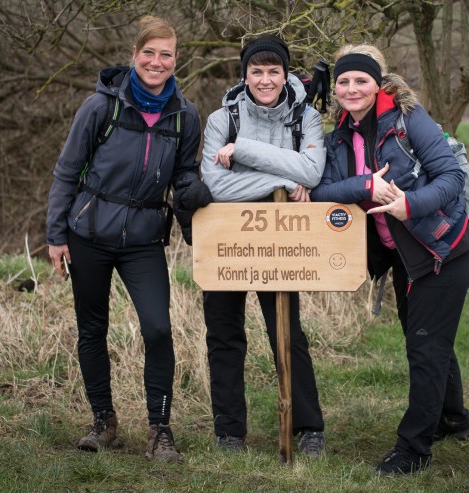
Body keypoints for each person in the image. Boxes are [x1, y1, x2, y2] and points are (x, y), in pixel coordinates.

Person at [46, 15, 208, 462]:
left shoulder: (185, 114)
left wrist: (194, 192)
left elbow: (185, 173)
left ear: (177, 60)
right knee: (92, 330)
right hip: (88, 233)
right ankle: (103, 421)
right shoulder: (101, 107)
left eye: (166, 54)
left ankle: (160, 429)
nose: (157, 62)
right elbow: (66, 171)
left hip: (143, 238)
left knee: (158, 328)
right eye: (149, 53)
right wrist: (55, 233)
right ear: (135, 55)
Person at [310, 44, 469, 475]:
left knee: (425, 344)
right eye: (343, 81)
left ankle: (413, 450)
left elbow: (451, 177)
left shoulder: (408, 120)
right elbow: (322, 191)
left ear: (378, 84)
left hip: (443, 248)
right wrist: (364, 186)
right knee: (426, 337)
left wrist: (409, 205)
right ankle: (454, 419)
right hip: (403, 255)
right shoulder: (341, 134)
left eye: (361, 80)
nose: (351, 88)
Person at [200, 35, 326, 455]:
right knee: (224, 334)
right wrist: (281, 180)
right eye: (257, 71)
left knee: (287, 332)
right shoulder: (222, 120)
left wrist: (245, 153)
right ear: (245, 74)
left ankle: (309, 429)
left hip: (281, 239)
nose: (266, 79)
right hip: (227, 238)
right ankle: (229, 432)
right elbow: (215, 184)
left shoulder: (305, 117)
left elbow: (312, 170)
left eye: (274, 71)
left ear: (286, 73)